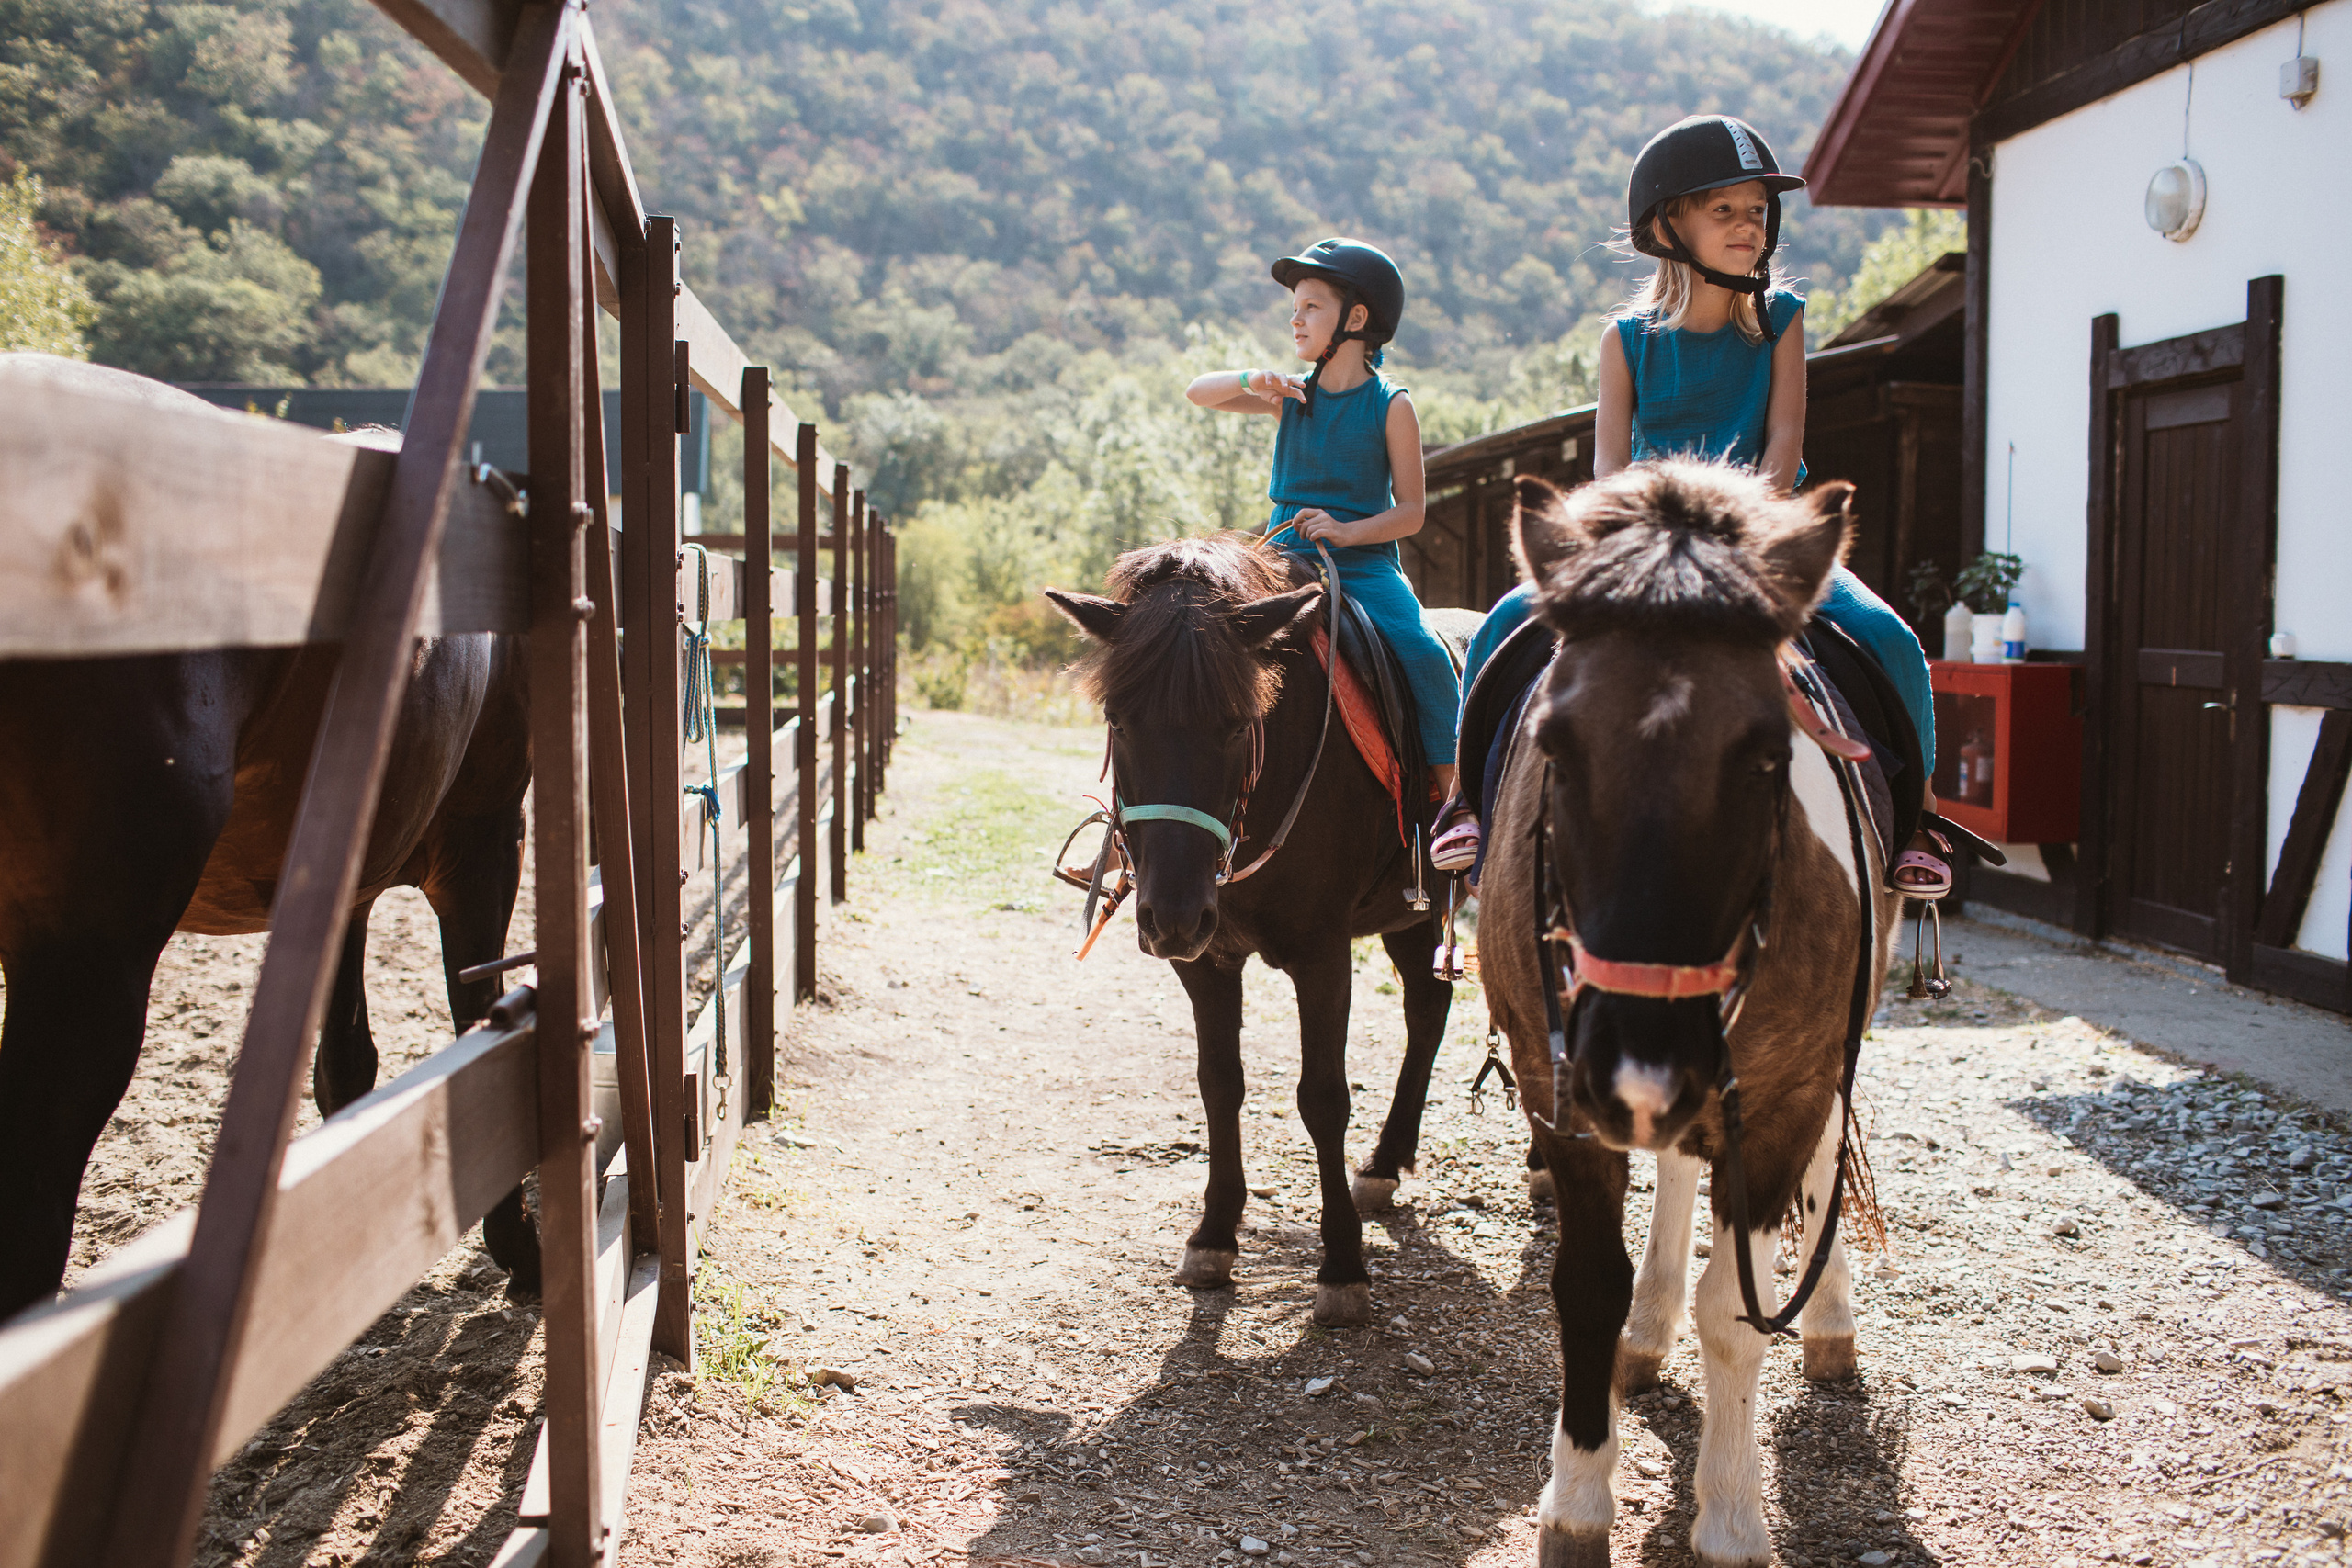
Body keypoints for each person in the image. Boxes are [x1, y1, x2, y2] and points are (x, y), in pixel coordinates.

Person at [1431, 115, 1951, 897]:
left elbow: (1783, 446)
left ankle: (1921, 817)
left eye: (1758, 211)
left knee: (1890, 636)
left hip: (1758, 534)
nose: (1750, 225)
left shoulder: (1781, 320)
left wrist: (1750, 533)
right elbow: (1608, 471)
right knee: (1504, 623)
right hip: (1645, 536)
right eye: (1725, 210)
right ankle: (1468, 802)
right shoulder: (1625, 339)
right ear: (1671, 225)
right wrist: (1631, 540)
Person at [1184, 237, 1460, 808]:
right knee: (1195, 636)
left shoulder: (1392, 404)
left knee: (1425, 653)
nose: (1295, 318)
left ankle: (1456, 803)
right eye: (1294, 307)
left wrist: (1346, 530)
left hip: (1362, 565)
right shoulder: (1289, 395)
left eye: (1312, 306)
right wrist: (1253, 379)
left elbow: (1412, 512)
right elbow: (1197, 393)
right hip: (1277, 555)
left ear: (1355, 319)